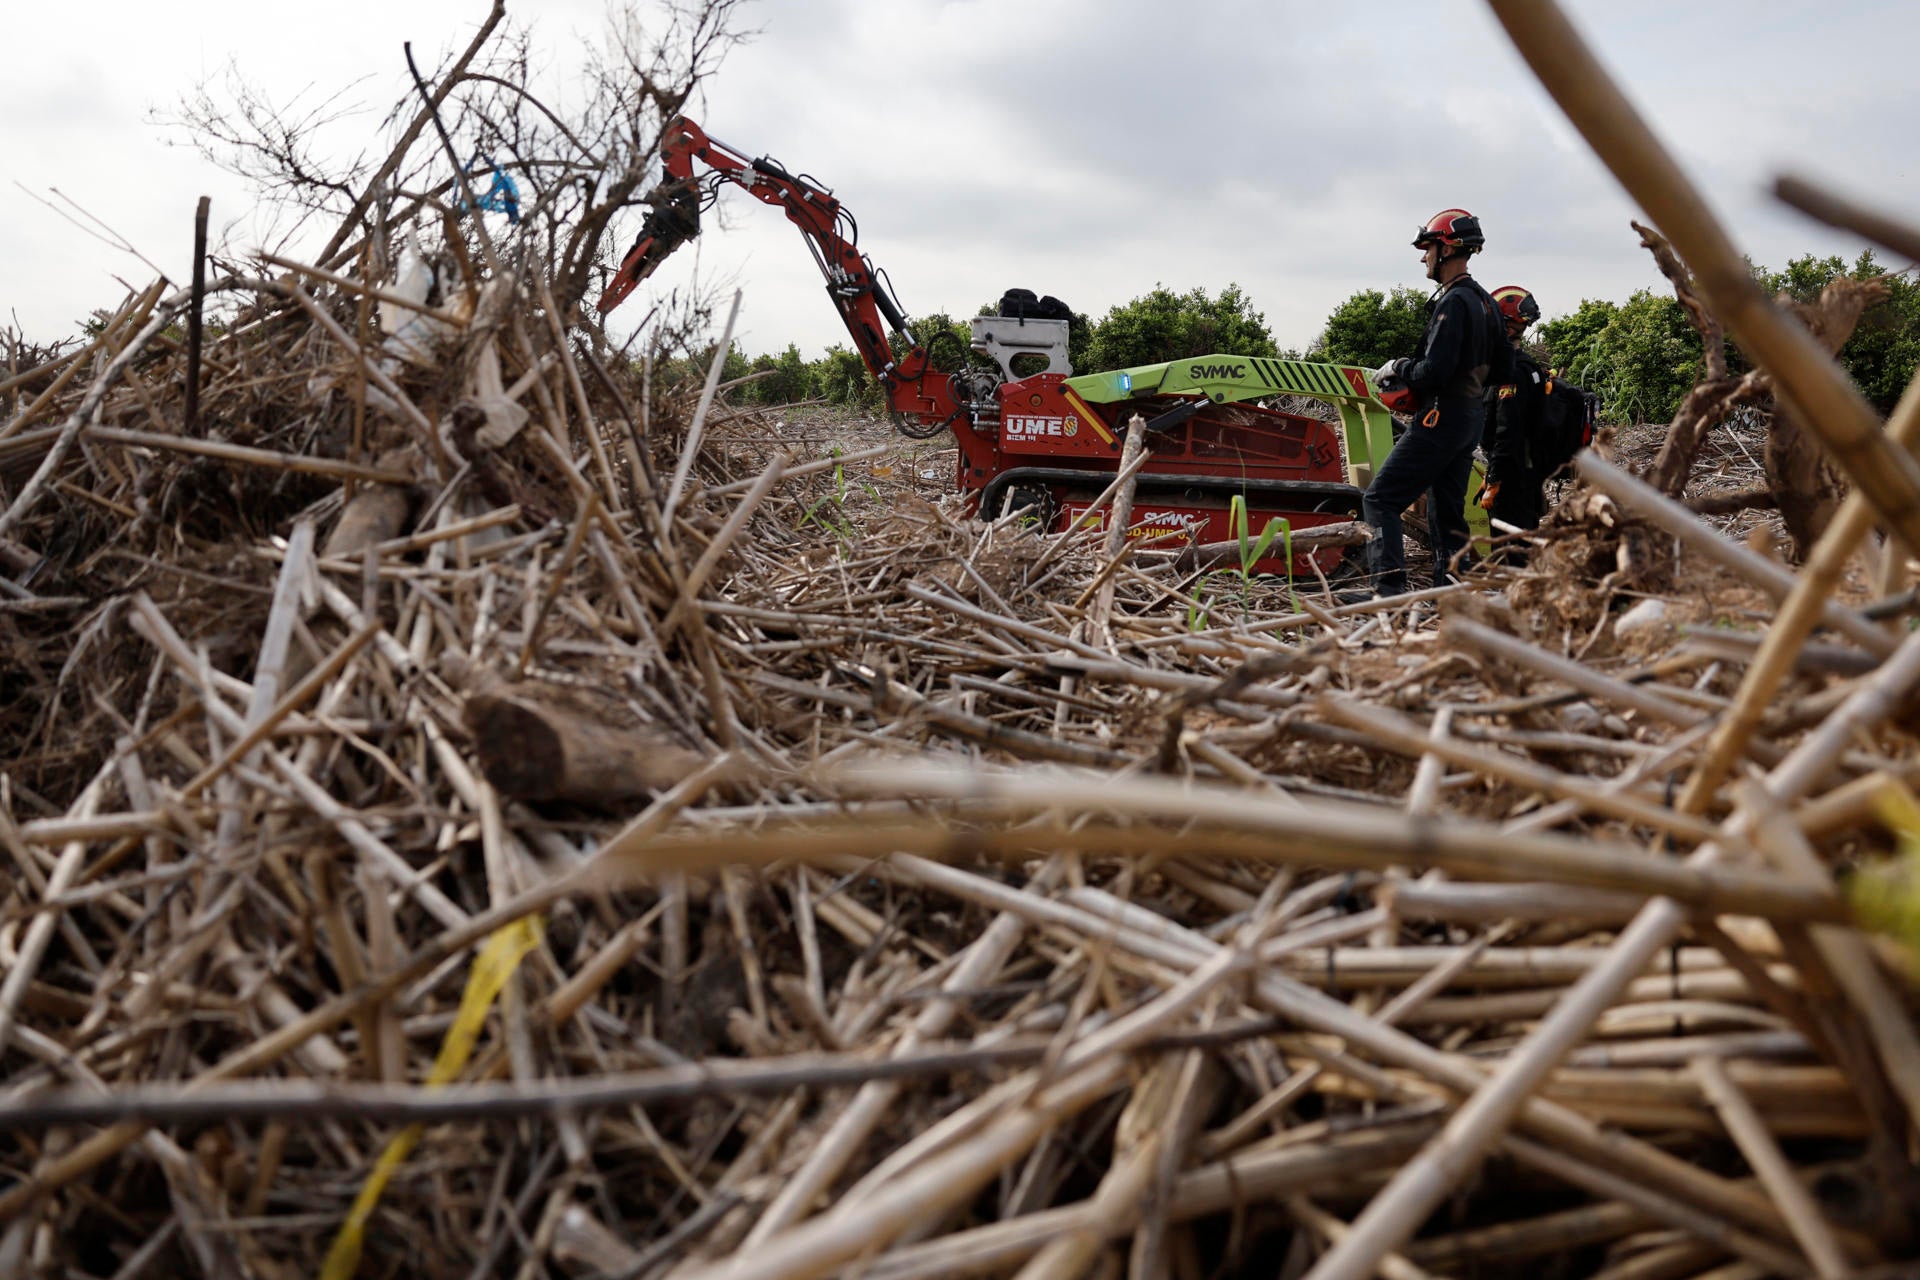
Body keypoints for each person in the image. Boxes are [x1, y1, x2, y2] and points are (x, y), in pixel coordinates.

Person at [1362, 209, 1512, 596]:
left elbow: (1434, 371)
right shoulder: (1487, 304)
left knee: (1380, 499)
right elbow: (1504, 368)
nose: (1423, 257)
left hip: (1440, 418)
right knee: (1446, 512)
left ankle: (1388, 591)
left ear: (1446, 248)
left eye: (1427, 247)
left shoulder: (1454, 302)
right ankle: (1452, 593)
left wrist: (1399, 366)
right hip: (1469, 420)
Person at [1481, 284, 1549, 533]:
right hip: (1524, 476)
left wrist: (1494, 480)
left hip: (1513, 480)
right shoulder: (1528, 368)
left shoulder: (1510, 373)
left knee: (1510, 552)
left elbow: (1507, 430)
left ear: (1506, 327)